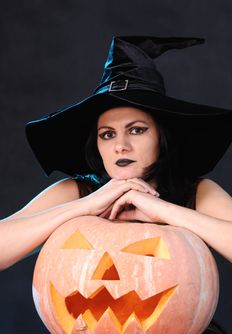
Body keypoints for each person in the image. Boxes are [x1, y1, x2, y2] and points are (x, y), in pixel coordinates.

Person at [0, 36, 232, 333]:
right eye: (107, 134)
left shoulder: (197, 192)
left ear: (161, 138)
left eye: (136, 130)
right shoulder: (75, 192)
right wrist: (85, 206)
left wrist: (164, 211)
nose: (120, 146)